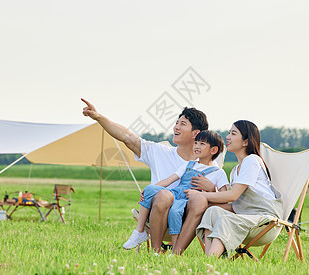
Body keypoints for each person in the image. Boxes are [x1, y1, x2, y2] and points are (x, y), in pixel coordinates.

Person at [81, 98, 223, 253]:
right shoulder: (159, 152)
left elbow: (220, 197)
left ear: (196, 134)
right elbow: (127, 137)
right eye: (177, 122)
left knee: (186, 199)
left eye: (183, 124)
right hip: (158, 212)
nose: (176, 127)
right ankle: (155, 252)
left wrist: (212, 188)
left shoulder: (209, 167)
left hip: (188, 217)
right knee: (163, 195)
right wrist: (98, 117)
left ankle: (177, 253)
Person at [184, 120, 283, 257]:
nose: (228, 137)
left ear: (246, 142)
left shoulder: (251, 160)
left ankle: (210, 261)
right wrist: (209, 193)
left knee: (225, 220)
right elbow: (235, 205)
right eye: (229, 132)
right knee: (212, 212)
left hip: (266, 222)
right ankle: (210, 259)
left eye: (233, 133)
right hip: (246, 218)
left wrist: (200, 196)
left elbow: (233, 196)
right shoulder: (235, 170)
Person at [122, 130, 228, 250]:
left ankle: (175, 248)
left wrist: (212, 189)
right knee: (150, 188)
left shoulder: (218, 173)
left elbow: (224, 198)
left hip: (187, 204)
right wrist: (151, 190)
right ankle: (139, 231)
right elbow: (169, 180)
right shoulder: (189, 165)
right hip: (175, 194)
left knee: (175, 211)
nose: (197, 146)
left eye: (202, 144)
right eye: (196, 143)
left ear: (213, 150)